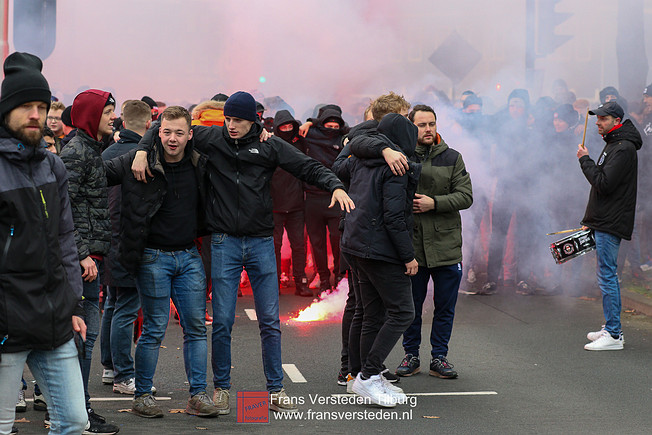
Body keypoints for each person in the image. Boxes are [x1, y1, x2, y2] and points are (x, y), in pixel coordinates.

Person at [131, 91, 353, 414]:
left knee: (269, 321)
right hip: (224, 242)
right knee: (221, 321)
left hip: (262, 242)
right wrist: (141, 150)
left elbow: (307, 167)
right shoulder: (212, 137)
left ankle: (274, 390)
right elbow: (162, 126)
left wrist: (334, 184)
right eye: (229, 119)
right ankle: (221, 389)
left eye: (238, 120)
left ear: (254, 121)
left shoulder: (269, 144)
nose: (231, 126)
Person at [105, 106, 219, 418]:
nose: (172, 138)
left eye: (179, 133)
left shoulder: (199, 161)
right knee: (154, 327)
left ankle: (198, 396)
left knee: (196, 327)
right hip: (152, 257)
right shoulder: (138, 160)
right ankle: (142, 396)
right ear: (158, 132)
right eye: (166, 132)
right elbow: (98, 174)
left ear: (189, 135)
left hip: (189, 255)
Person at [0, 51, 88, 435]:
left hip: (53, 317)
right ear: (6, 111)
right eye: (25, 106)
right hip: (5, 320)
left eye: (41, 105)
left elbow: (65, 239)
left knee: (73, 420)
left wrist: (72, 303)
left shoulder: (53, 165)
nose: (35, 114)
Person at [334, 113, 419, 407]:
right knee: (402, 312)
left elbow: (343, 162)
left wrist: (359, 143)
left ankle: (362, 376)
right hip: (380, 250)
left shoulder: (359, 157)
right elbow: (394, 218)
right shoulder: (397, 166)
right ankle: (369, 376)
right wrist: (408, 256)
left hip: (355, 245)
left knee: (372, 313)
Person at [392, 105, 473, 378]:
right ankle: (410, 356)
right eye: (422, 124)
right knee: (411, 306)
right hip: (412, 247)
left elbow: (466, 196)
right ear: (411, 126)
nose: (428, 129)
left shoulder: (453, 157)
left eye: (432, 124)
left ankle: (440, 358)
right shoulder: (400, 156)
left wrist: (433, 203)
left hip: (447, 247)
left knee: (444, 308)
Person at [59, 89, 120, 434]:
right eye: (108, 112)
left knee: (84, 338)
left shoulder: (89, 150)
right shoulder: (77, 153)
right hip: (81, 262)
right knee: (82, 339)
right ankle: (73, 413)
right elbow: (61, 207)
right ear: (90, 116)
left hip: (90, 259)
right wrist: (81, 253)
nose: (113, 117)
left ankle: (75, 409)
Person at [578, 101, 641, 351]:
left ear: (616, 121)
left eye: (602, 118)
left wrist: (585, 160)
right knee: (606, 274)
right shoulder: (615, 144)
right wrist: (589, 221)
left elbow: (603, 183)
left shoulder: (623, 148)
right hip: (605, 219)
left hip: (611, 221)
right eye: (596, 118)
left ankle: (614, 334)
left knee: (608, 276)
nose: (597, 122)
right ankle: (611, 327)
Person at [100, 100, 151, 395]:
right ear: (147, 125)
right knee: (126, 308)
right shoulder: (138, 156)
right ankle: (122, 373)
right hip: (127, 242)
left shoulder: (107, 152)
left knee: (113, 304)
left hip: (108, 240)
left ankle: (109, 366)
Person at [303, 106, 347, 292]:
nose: (331, 128)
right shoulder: (310, 133)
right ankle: (323, 279)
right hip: (313, 198)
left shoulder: (345, 136)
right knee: (317, 243)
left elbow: (357, 130)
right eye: (327, 124)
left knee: (338, 241)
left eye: (335, 125)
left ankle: (338, 276)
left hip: (335, 197)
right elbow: (290, 127)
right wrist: (310, 122)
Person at [271, 110, 312, 297]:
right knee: (274, 246)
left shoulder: (301, 142)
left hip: (296, 205)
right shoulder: (270, 144)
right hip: (274, 206)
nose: (287, 129)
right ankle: (274, 283)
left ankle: (301, 281)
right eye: (283, 127)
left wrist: (310, 122)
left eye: (290, 126)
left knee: (299, 246)